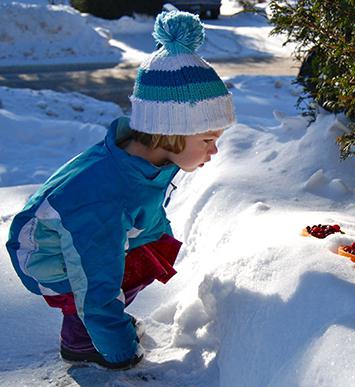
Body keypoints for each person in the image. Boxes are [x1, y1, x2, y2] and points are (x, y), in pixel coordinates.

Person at [5, 10, 235, 370]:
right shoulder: (105, 196)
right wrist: (121, 352)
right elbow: (95, 278)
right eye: (207, 139)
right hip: (46, 256)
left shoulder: (146, 159)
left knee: (148, 255)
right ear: (168, 132)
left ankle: (98, 327)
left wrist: (158, 244)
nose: (214, 150)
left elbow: (146, 209)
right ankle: (83, 341)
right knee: (103, 282)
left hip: (79, 240)